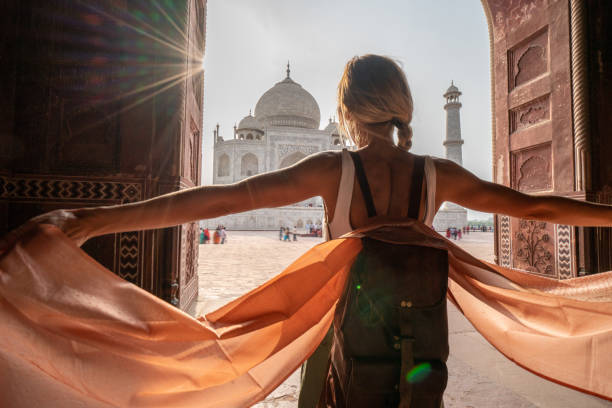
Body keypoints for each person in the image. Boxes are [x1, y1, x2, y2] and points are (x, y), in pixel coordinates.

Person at [2, 54, 612, 407]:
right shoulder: (438, 173)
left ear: (342, 113)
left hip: (344, 325)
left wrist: (92, 219)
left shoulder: (331, 167)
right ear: (402, 106)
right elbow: (538, 207)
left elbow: (218, 199)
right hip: (421, 335)